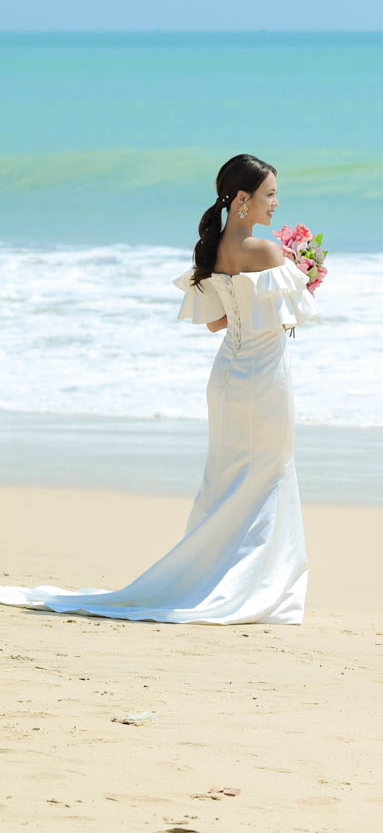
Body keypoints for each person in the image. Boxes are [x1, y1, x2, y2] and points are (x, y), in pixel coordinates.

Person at [0, 154, 319, 625]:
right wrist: (305, 276)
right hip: (263, 379)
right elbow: (291, 317)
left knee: (226, 478)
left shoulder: (213, 251)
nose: (276, 204)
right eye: (270, 195)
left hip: (227, 377)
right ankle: (252, 583)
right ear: (244, 199)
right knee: (267, 474)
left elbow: (216, 322)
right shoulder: (267, 253)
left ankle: (209, 574)